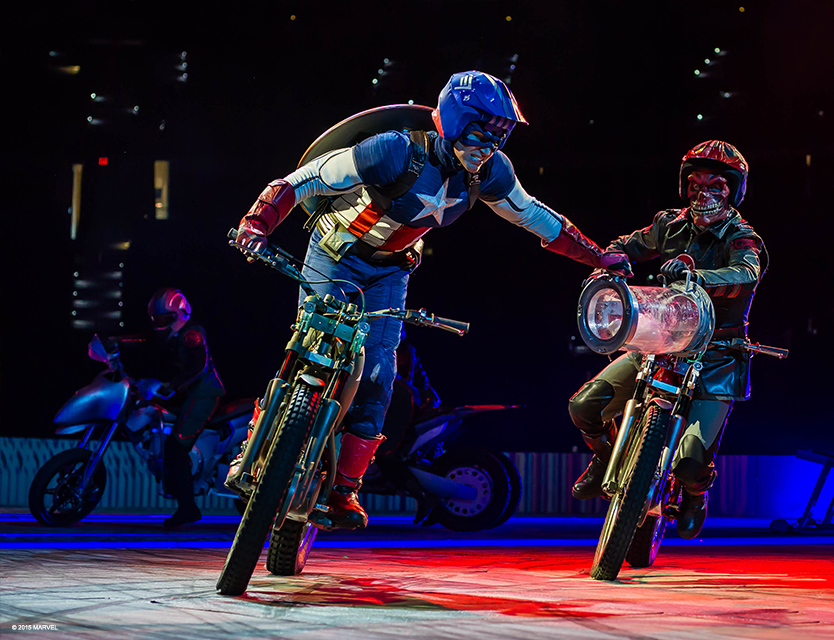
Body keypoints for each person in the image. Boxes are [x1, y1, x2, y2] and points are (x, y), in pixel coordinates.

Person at [228, 71, 629, 530]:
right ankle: (252, 448)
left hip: (389, 274)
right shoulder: (395, 149)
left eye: (499, 136)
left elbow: (535, 217)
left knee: (378, 372)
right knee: (309, 348)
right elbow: (306, 180)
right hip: (333, 256)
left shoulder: (492, 173)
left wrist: (598, 256)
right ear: (456, 121)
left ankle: (345, 489)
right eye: (482, 133)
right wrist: (257, 222)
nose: (490, 147)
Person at [567, 140, 766, 539]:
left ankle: (694, 496)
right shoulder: (668, 224)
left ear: (733, 190)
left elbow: (746, 273)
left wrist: (699, 279)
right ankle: (605, 459)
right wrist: (613, 262)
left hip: (718, 356)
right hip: (662, 343)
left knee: (691, 462)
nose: (703, 195)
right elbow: (625, 244)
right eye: (695, 186)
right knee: (584, 407)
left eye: (715, 187)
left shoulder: (743, 238)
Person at [136, 287, 226, 527]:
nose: (160, 324)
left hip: (204, 394)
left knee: (176, 449)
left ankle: (188, 508)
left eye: (165, 319)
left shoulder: (191, 334)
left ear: (179, 314)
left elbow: (199, 367)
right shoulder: (178, 337)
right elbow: (142, 341)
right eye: (157, 319)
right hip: (193, 394)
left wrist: (171, 386)